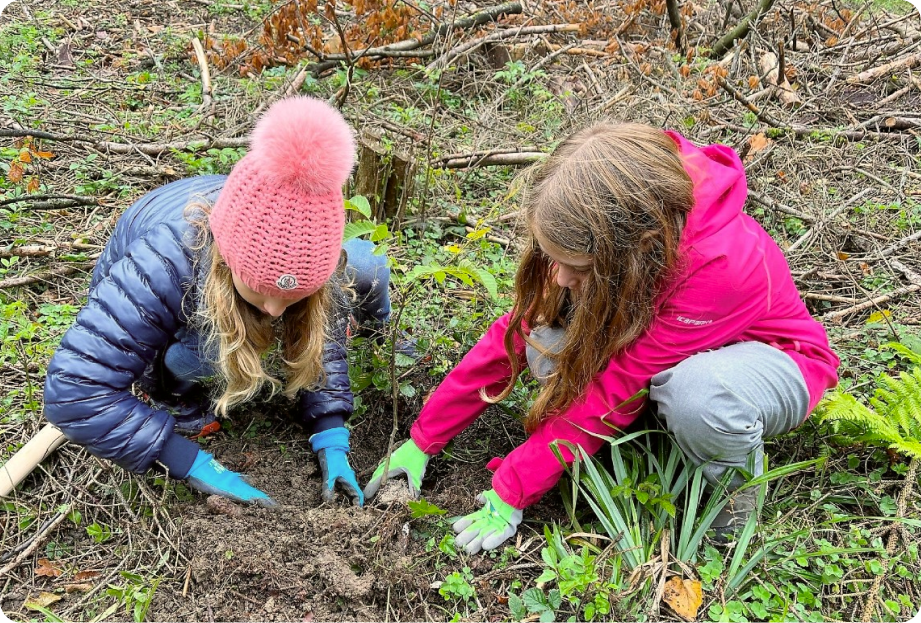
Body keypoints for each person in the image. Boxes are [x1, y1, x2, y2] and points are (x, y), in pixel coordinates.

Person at [363, 122, 840, 552]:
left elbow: (617, 389)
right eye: (555, 258)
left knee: (699, 396)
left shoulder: (721, 266)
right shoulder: (613, 205)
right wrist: (423, 439)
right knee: (546, 342)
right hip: (666, 355)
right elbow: (515, 333)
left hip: (770, 364)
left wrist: (514, 485)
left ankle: (730, 512)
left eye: (577, 266)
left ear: (634, 248)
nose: (561, 276)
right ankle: (647, 450)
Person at [43, 97, 386, 507]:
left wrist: (331, 438)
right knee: (206, 352)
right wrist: (191, 464)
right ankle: (174, 394)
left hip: (226, 253)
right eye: (260, 292)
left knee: (367, 266)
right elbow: (76, 390)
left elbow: (320, 333)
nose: (275, 311)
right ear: (227, 259)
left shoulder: (310, 264)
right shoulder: (161, 264)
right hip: (169, 279)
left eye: (293, 298)